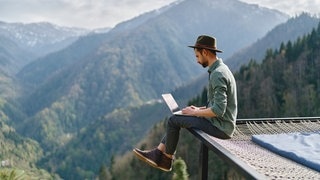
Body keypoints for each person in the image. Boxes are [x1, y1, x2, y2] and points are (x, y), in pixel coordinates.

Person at [133, 35, 238, 172]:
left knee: (173, 120)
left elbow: (218, 110)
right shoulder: (221, 69)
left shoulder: (217, 74)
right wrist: (198, 109)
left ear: (205, 52)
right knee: (178, 117)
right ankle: (159, 153)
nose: (197, 61)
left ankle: (166, 159)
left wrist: (195, 113)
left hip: (221, 128)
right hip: (221, 123)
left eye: (197, 56)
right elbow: (217, 104)